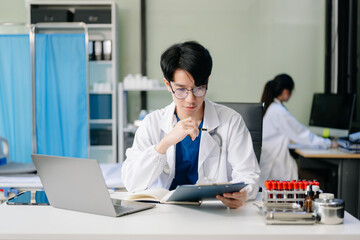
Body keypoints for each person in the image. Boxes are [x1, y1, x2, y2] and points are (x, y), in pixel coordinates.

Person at [121, 41, 260, 209]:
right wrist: (164, 144)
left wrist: (244, 193)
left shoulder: (230, 121)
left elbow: (248, 175)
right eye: (181, 90)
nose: (190, 99)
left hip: (214, 212)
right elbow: (131, 182)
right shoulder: (153, 123)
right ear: (168, 85)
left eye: (199, 88)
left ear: (207, 81)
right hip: (163, 215)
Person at [259, 73, 337, 184]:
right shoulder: (278, 111)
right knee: (320, 182)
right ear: (286, 91)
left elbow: (296, 135)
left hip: (271, 164)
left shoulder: (272, 108)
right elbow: (302, 135)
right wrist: (329, 143)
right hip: (276, 168)